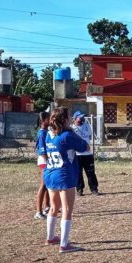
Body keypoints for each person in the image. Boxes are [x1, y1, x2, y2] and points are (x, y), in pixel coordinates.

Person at [44, 107, 90, 253]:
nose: (71, 120)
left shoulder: (48, 135)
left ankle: (50, 237)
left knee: (53, 208)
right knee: (67, 210)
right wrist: (72, 132)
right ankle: (64, 245)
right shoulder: (67, 136)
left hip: (50, 174)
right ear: (64, 120)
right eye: (69, 117)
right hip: (64, 174)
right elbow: (85, 147)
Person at [71, 111, 100, 196]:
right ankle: (79, 189)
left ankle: (94, 189)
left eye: (83, 117)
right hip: (77, 155)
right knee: (78, 173)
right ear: (75, 118)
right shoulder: (71, 128)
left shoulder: (87, 126)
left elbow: (90, 134)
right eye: (80, 117)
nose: (82, 119)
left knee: (91, 172)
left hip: (88, 154)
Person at [34, 111, 51, 220]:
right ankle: (38, 212)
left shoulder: (46, 131)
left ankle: (48, 207)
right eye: (49, 118)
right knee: (44, 185)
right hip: (44, 161)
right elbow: (42, 151)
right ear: (44, 120)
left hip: (47, 160)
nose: (51, 120)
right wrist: (48, 162)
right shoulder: (42, 133)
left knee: (48, 185)